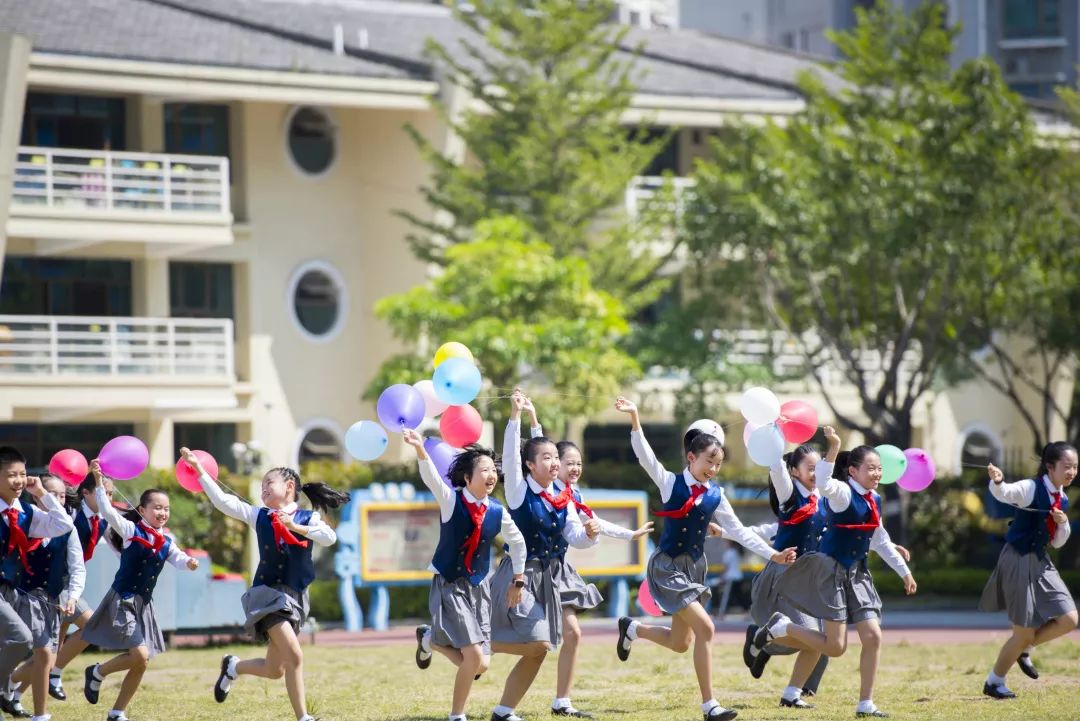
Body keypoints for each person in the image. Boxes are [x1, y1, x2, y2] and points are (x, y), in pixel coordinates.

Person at [612, 398, 796, 721]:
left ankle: (633, 629)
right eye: (708, 461)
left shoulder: (716, 494)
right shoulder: (670, 483)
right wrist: (635, 418)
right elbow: (645, 457)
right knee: (707, 628)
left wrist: (773, 554)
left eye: (718, 464)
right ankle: (710, 705)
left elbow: (739, 531)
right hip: (668, 567)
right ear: (691, 457)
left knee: (680, 642)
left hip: (693, 569)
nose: (712, 469)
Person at [750, 443, 917, 718]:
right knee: (834, 647)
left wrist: (904, 572)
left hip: (858, 574)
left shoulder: (875, 499)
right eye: (871, 468)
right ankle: (784, 628)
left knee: (873, 636)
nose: (877, 473)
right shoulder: (840, 493)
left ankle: (865, 704)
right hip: (830, 575)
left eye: (879, 469)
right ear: (853, 471)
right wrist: (834, 448)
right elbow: (825, 482)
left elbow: (879, 538)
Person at [180, 448, 347, 721]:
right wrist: (199, 470)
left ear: (289, 486)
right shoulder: (258, 515)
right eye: (261, 486)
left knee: (275, 669)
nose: (263, 490)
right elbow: (223, 501)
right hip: (267, 596)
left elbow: (329, 538)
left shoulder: (308, 518)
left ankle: (233, 667)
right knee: (295, 656)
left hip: (296, 598)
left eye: (269, 483)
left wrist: (296, 527)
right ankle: (303, 717)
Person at [488, 389, 600, 721]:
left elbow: (574, 537)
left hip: (549, 577)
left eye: (557, 457)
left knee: (547, 643)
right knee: (539, 643)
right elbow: (513, 454)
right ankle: (470, 644)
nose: (556, 463)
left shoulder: (561, 495)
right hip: (519, 575)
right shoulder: (519, 490)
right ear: (530, 465)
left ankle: (505, 711)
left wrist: (589, 536)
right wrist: (515, 416)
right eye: (548, 458)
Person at [406, 430, 527, 721]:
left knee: (482, 664)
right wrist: (421, 450)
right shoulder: (451, 500)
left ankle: (430, 640)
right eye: (483, 470)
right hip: (450, 584)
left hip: (479, 588)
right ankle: (457, 715)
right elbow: (432, 478)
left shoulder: (497, 511)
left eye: (492, 470)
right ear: (467, 477)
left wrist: (518, 580)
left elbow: (519, 542)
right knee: (472, 658)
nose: (490, 475)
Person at [82, 460, 199, 721]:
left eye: (166, 509)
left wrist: (189, 563)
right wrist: (99, 482)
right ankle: (98, 672)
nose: (162, 512)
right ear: (143, 510)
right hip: (122, 599)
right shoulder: (129, 530)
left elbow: (178, 558)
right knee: (140, 654)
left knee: (141, 661)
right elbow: (108, 511)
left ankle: (117, 711)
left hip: (143, 604)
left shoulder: (167, 541)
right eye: (157, 507)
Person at [980, 443, 1077, 700]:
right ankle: (994, 682)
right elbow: (1006, 493)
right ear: (1050, 467)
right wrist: (999, 482)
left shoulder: (1062, 497)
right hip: (1017, 557)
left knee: (1069, 619)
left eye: (1075, 467)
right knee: (1022, 632)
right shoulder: (1031, 487)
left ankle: (1025, 649)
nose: (1072, 472)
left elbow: (1057, 542)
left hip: (1041, 559)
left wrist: (1063, 523)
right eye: (1067, 467)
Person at [0, 446, 75, 718]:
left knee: (18, 642)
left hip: (11, 590)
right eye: (11, 475)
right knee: (20, 638)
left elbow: (63, 525)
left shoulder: (25, 513)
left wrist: (42, 493)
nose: (19, 481)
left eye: (22, 474)